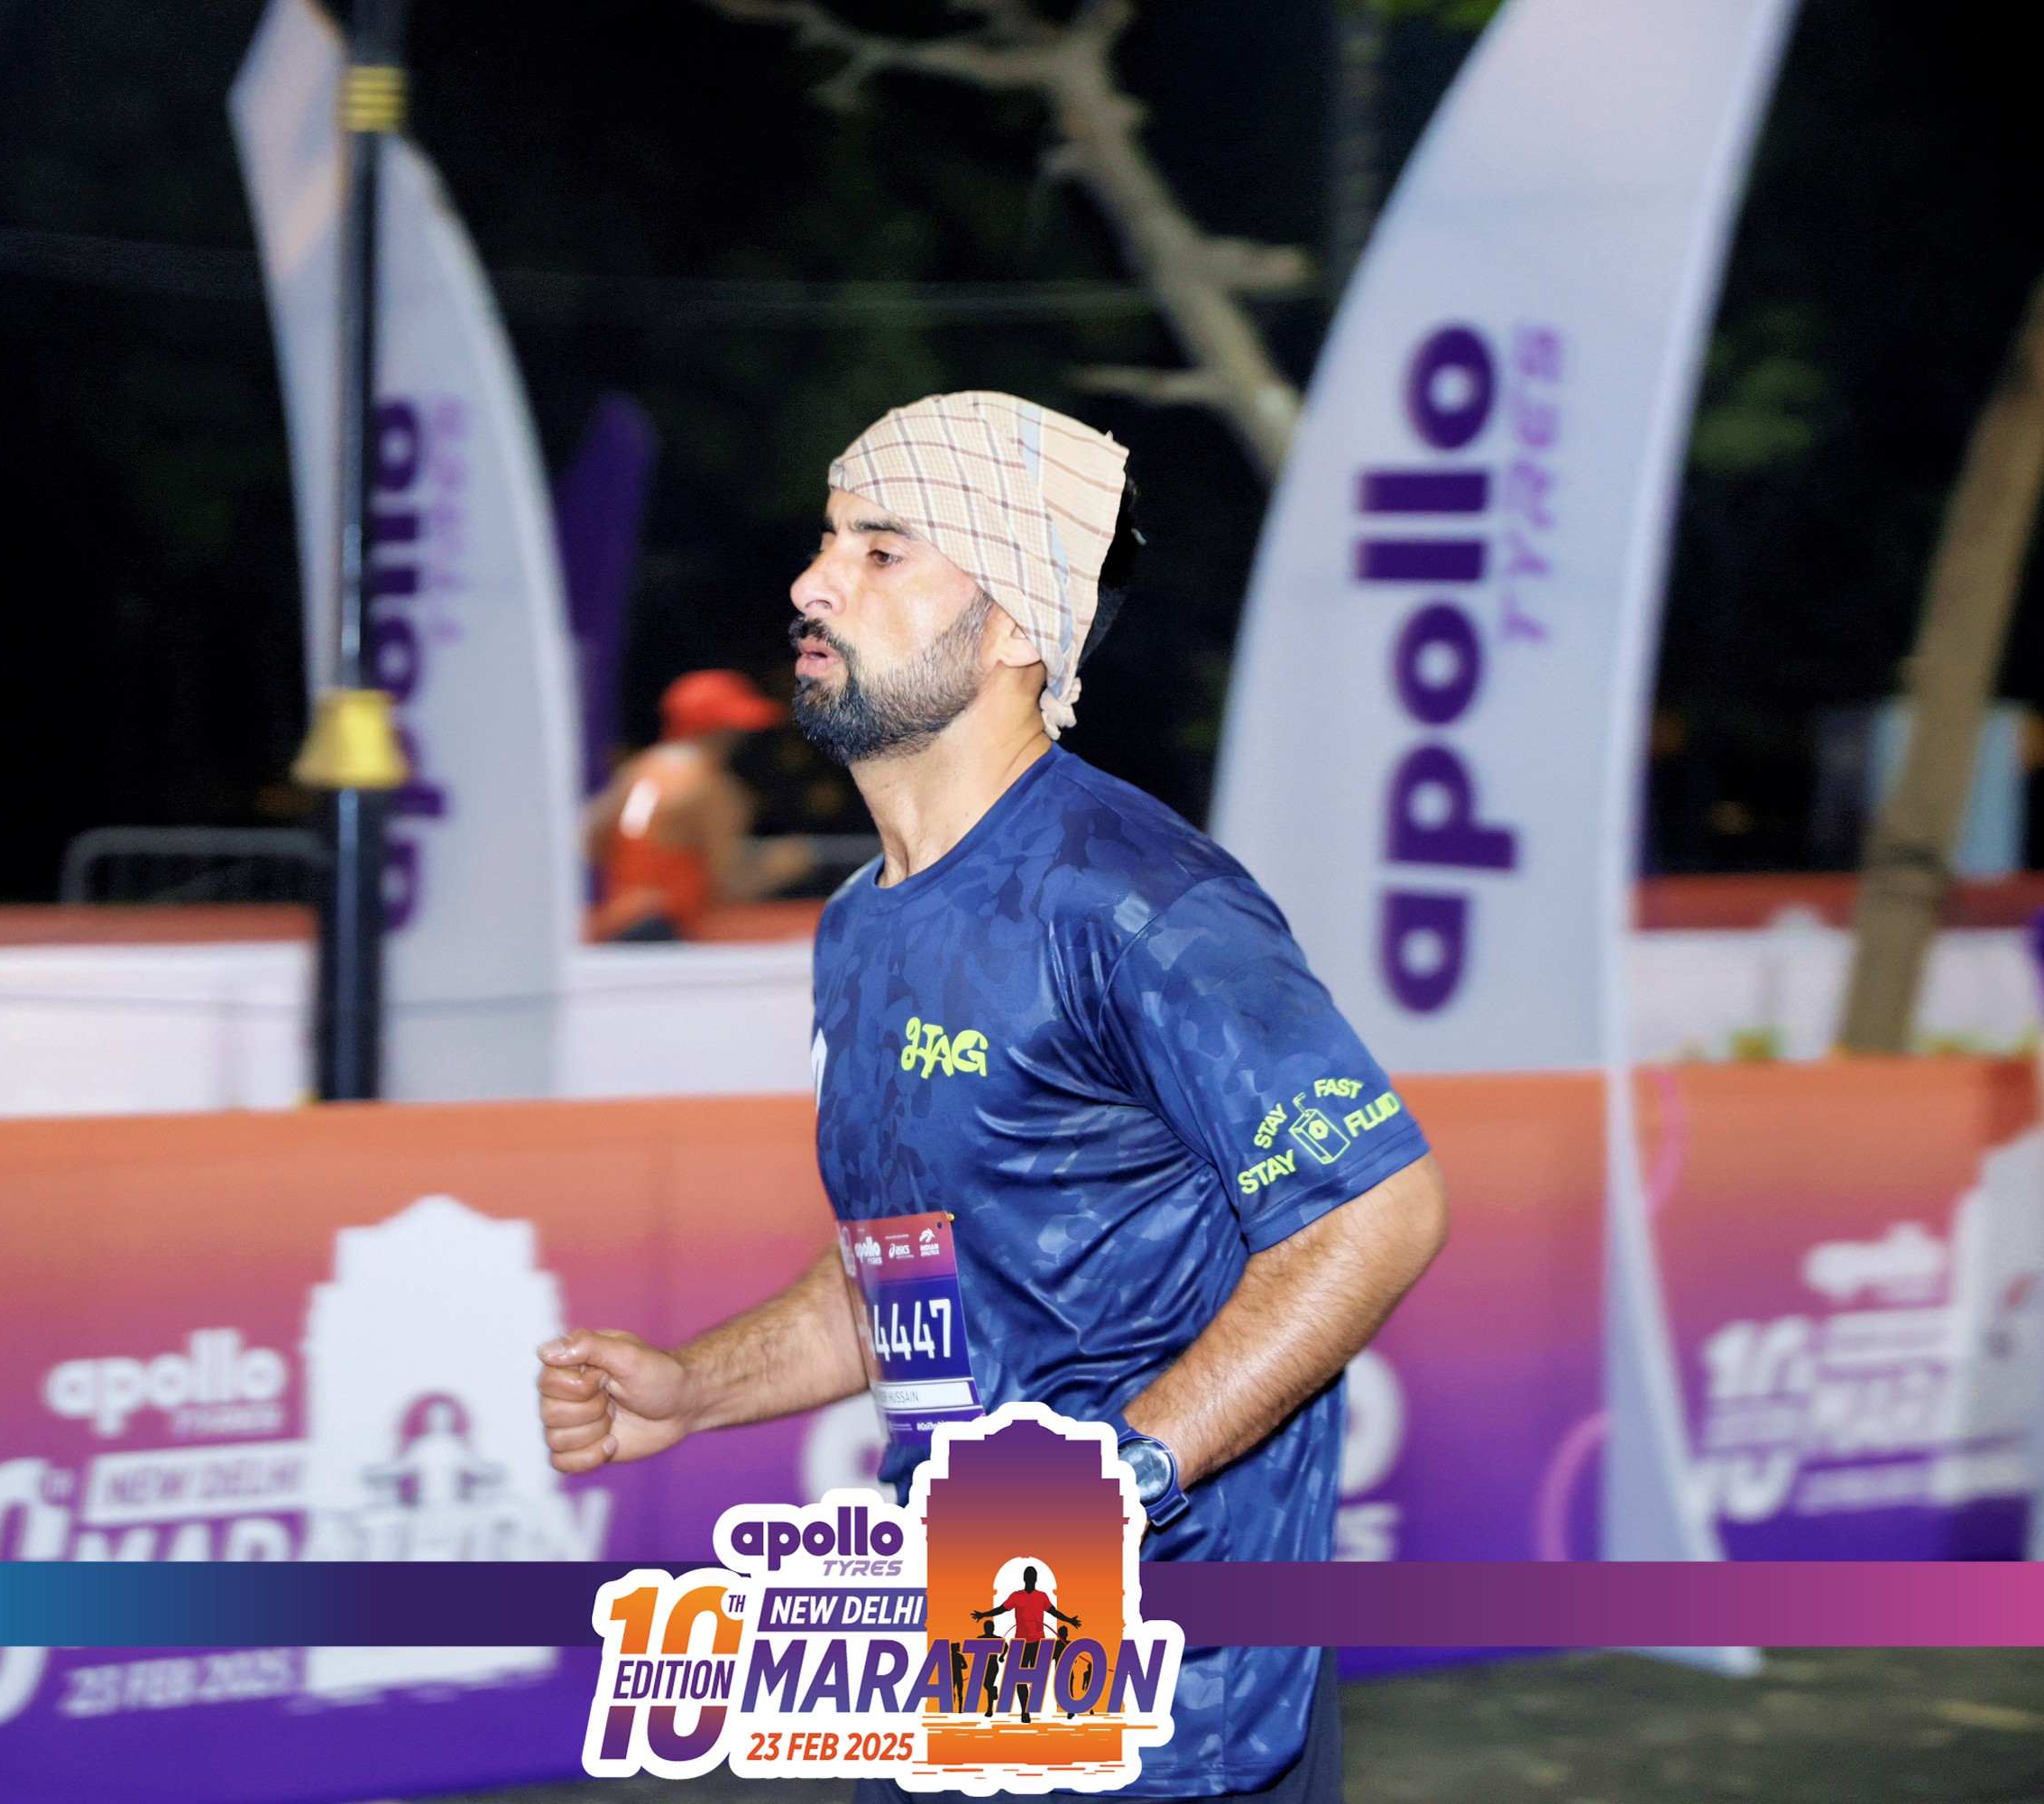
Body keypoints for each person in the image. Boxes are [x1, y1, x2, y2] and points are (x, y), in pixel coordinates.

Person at [539, 391, 1448, 1800]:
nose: (814, 583)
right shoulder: (864, 921)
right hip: (965, 1662)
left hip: (1174, 1713)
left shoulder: (1135, 897)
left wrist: (1125, 1476)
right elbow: (917, 1269)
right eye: (827, 541)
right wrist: (695, 1388)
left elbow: (1373, 1211)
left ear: (1018, 625)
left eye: (882, 549)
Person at [583, 668, 814, 941]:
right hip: (667, 932)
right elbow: (725, 885)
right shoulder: (711, 789)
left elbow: (592, 839)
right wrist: (781, 866)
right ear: (724, 730)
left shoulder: (638, 773)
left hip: (618, 927)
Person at [971, 1564, 1080, 1722]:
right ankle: (1025, 1711)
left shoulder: (1042, 1597)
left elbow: (1054, 1612)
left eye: (1032, 1576)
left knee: (1039, 1678)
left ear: (1035, 1579)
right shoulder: (1016, 1596)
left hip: (1039, 1643)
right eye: (1028, 1576)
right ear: (1025, 1578)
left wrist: (1069, 1620)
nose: (1030, 1579)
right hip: (1021, 1644)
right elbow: (1001, 1609)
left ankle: (1067, 1705)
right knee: (1020, 1679)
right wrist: (984, 1614)